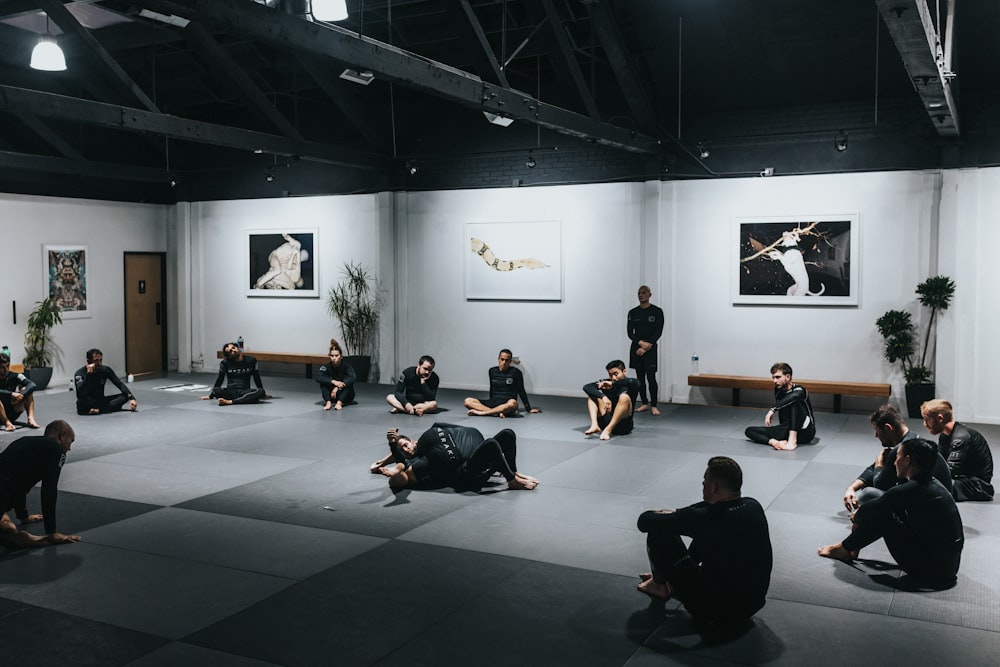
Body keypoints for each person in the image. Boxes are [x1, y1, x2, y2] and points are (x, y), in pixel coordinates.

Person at [636, 456, 772, 627]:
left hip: (712, 612)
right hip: (752, 605)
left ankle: (659, 584)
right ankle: (669, 579)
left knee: (660, 530)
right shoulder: (753, 506)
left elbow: (644, 521)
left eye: (705, 482)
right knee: (710, 535)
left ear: (714, 487)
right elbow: (706, 514)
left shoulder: (704, 518)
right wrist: (679, 515)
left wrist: (668, 515)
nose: (703, 485)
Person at [820, 438, 964, 589]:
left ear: (907, 460)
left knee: (882, 515)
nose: (895, 462)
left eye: (897, 457)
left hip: (930, 573)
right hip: (948, 569)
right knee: (884, 508)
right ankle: (847, 548)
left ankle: (843, 548)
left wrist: (857, 516)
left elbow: (866, 513)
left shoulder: (911, 489)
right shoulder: (932, 484)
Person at [370, 423, 539, 492]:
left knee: (508, 434)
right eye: (402, 450)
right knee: (491, 444)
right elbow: (399, 479)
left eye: (406, 445)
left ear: (413, 441)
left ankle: (514, 472)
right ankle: (511, 481)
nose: (406, 450)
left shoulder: (431, 432)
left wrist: (382, 461)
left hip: (478, 451)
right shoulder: (420, 464)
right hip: (470, 472)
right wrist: (393, 445)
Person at [843, 405, 952, 511]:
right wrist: (851, 488)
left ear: (887, 428)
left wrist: (879, 464)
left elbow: (880, 483)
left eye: (877, 430)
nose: (876, 435)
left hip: (928, 506)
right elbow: (875, 470)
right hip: (939, 501)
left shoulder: (902, 449)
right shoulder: (912, 440)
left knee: (867, 495)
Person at [0, 419, 80, 548]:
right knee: (9, 531)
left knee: (6, 526)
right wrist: (52, 532)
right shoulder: (56, 449)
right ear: (61, 435)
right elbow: (49, 489)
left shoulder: (24, 441)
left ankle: (16, 537)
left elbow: (18, 481)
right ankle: (19, 538)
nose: (69, 448)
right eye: (71, 441)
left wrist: (23, 516)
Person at [920, 399, 994, 501]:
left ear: (940, 418)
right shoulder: (944, 435)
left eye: (926, 419)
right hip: (964, 479)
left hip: (979, 485)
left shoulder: (961, 437)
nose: (925, 424)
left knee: (931, 487)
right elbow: (940, 463)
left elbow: (949, 471)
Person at [744, 362, 815, 451]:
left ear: (788, 377)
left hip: (805, 431)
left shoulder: (800, 390)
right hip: (786, 429)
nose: (774, 381)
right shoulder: (778, 390)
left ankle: (792, 441)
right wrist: (773, 441)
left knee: (793, 402)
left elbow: (793, 397)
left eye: (778, 377)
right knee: (750, 431)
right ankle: (775, 442)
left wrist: (772, 410)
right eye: (773, 377)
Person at [463, 349, 541, 418]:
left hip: (507, 403)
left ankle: (483, 413)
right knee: (468, 401)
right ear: (498, 359)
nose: (504, 362)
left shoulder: (516, 372)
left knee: (513, 403)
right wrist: (491, 401)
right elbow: (492, 389)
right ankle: (495, 412)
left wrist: (528, 409)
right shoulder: (492, 371)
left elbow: (521, 391)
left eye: (507, 360)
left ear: (510, 361)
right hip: (494, 402)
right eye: (502, 359)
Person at [627, 285, 665, 416]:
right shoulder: (633, 312)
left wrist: (647, 345)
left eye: (643, 293)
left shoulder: (657, 311)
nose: (641, 295)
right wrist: (640, 343)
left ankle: (654, 405)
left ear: (650, 295)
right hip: (637, 348)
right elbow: (630, 333)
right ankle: (644, 403)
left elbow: (658, 331)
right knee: (640, 378)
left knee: (651, 377)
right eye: (639, 293)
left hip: (651, 349)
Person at [583, 359, 639, 440]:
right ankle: (595, 425)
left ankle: (608, 430)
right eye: (610, 375)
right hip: (605, 421)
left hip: (623, 426)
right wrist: (603, 396)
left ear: (624, 371)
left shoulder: (631, 384)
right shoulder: (606, 383)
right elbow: (587, 387)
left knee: (624, 397)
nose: (613, 378)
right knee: (592, 396)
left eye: (616, 374)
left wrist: (613, 384)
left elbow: (635, 382)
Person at [74, 348, 137, 416]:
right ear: (88, 361)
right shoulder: (80, 374)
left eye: (101, 360)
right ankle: (106, 409)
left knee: (125, 396)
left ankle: (99, 410)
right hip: (86, 403)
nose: (99, 363)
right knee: (82, 402)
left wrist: (132, 398)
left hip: (100, 401)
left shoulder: (105, 370)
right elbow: (80, 394)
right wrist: (88, 374)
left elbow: (119, 384)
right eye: (96, 361)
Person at [200, 342, 266, 405]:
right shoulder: (225, 363)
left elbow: (256, 377)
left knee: (260, 392)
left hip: (245, 391)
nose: (233, 351)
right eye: (230, 351)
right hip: (230, 392)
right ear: (229, 356)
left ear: (237, 347)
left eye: (233, 348)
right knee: (216, 390)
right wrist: (211, 396)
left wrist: (263, 393)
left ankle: (230, 402)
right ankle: (244, 400)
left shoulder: (252, 360)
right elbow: (220, 379)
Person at [0, 353, 40, 431]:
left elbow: (32, 384)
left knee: (27, 390)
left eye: (7, 366)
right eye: (2, 367)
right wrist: (11, 394)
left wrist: (20, 395)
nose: (5, 370)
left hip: (12, 411)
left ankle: (30, 419)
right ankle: (7, 423)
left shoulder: (15, 375)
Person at [316, 340, 356, 411]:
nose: (334, 358)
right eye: (332, 356)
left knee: (348, 382)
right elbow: (318, 377)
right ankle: (328, 402)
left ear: (341, 356)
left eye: (336, 355)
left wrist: (338, 386)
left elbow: (353, 377)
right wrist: (333, 382)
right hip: (332, 395)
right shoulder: (326, 366)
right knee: (323, 382)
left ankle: (339, 403)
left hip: (346, 396)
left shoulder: (346, 366)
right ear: (329, 356)